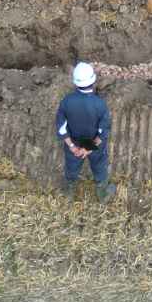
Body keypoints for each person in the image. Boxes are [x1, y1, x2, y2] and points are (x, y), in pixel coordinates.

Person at [56, 61, 112, 200]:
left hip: (74, 141)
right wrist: (88, 149)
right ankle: (102, 194)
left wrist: (73, 147)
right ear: (93, 81)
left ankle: (69, 193)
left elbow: (62, 129)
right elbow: (103, 132)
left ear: (76, 83)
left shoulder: (66, 101)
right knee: (99, 166)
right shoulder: (100, 104)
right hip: (93, 143)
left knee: (71, 167)